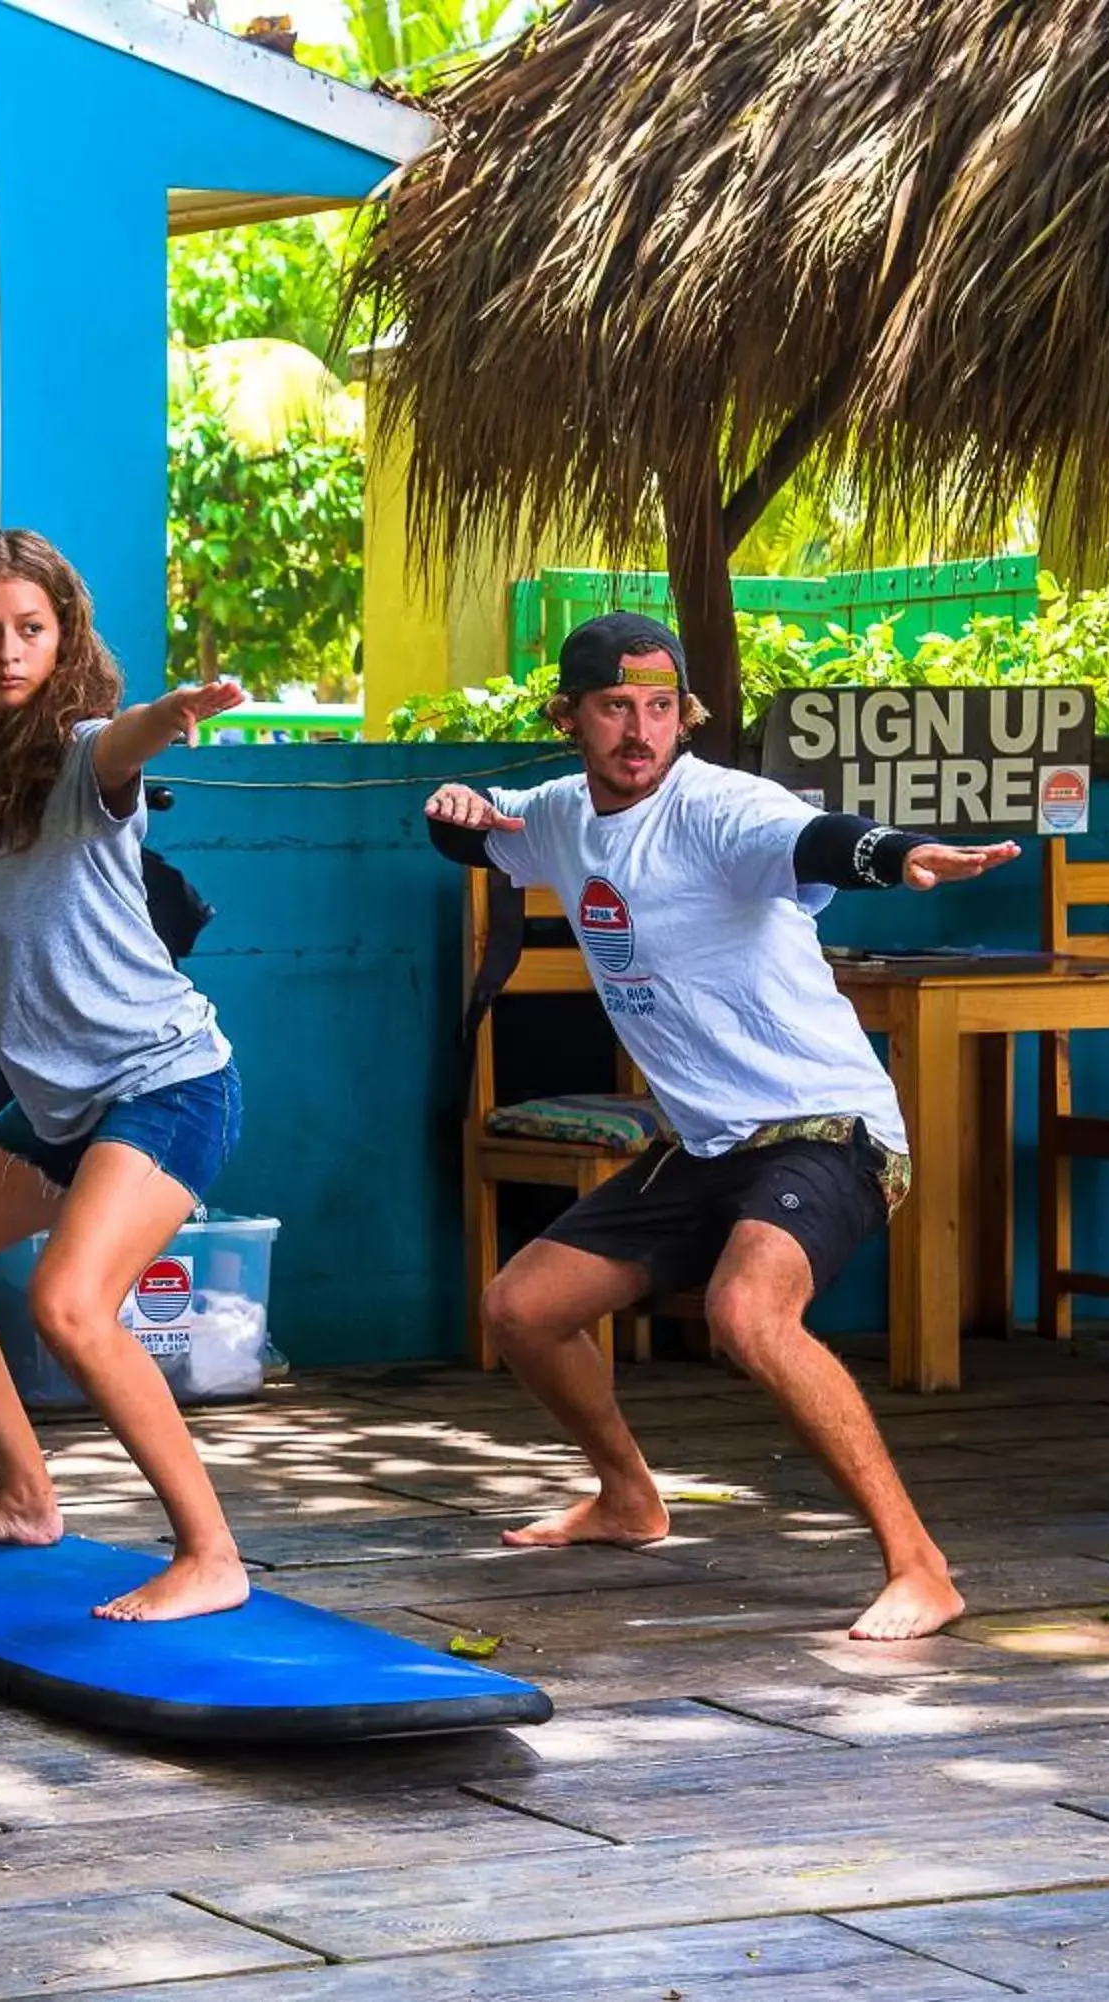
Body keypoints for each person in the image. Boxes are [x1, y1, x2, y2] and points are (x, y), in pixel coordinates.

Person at [424, 611, 1019, 1641]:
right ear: (569, 716)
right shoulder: (562, 815)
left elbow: (808, 833)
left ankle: (920, 1565)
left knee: (749, 1315)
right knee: (522, 1307)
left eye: (662, 708)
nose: (641, 731)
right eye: (616, 708)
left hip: (830, 1127)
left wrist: (898, 851)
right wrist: (451, 811)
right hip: (706, 1145)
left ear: (685, 714)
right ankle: (627, 1498)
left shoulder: (717, 805)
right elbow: (485, 835)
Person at [0, 527, 252, 1622]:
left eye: (31, 629)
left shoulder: (79, 758)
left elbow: (122, 745)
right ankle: (26, 1495)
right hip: (62, 1104)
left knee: (74, 1306)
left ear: (64, 638)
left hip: (166, 1082)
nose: (8, 650)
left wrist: (171, 719)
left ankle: (211, 1553)